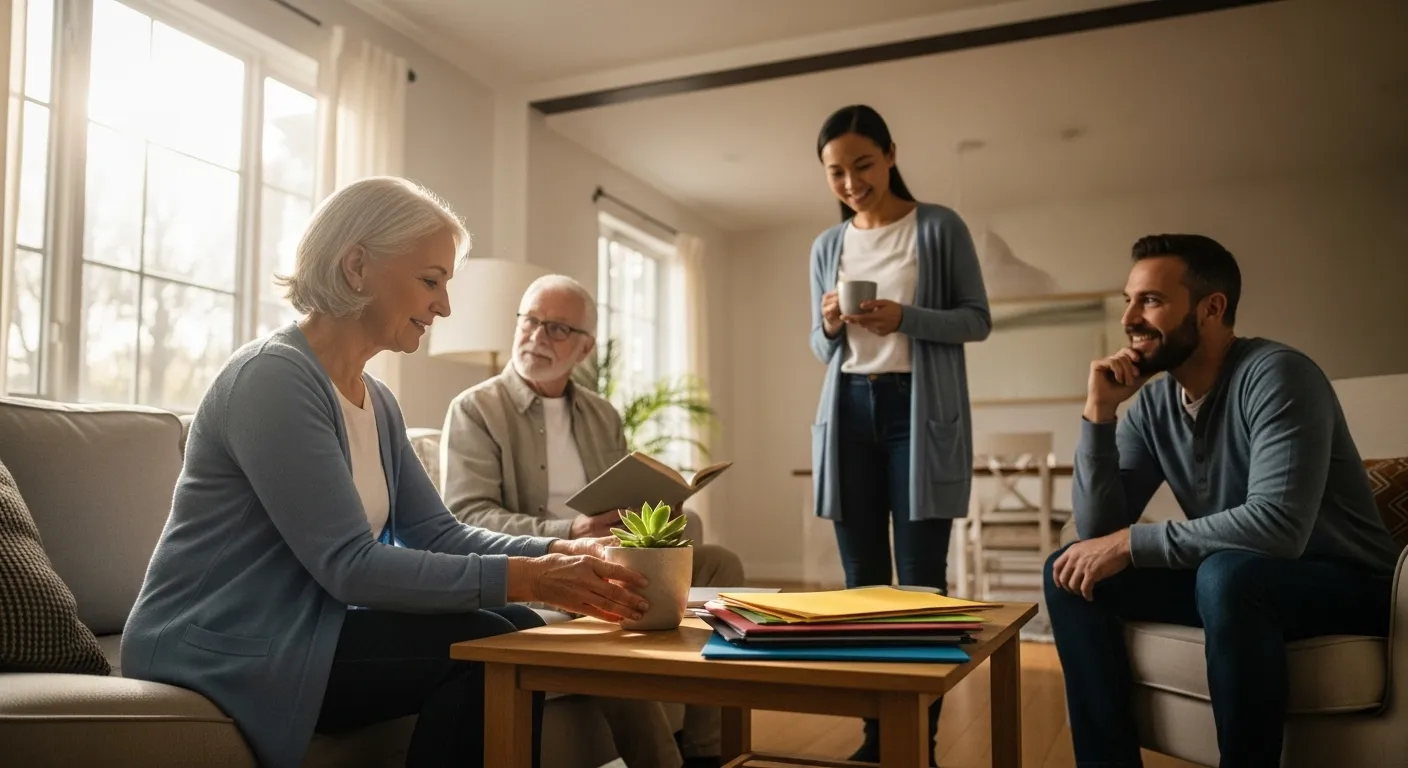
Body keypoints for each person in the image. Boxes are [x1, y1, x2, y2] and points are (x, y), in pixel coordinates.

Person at [121, 177, 650, 768]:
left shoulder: (376, 399)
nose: (443, 307)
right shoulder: (272, 379)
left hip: (306, 628)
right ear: (356, 267)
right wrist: (532, 575)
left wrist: (562, 559)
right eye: (431, 281)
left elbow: (440, 534)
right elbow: (349, 567)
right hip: (218, 641)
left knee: (516, 624)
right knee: (493, 642)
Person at [1045, 234, 1401, 768]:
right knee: (1070, 571)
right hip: (1241, 584)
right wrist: (1099, 415)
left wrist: (1130, 542)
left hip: (1349, 583)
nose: (1130, 318)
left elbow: (1278, 527)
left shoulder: (1278, 374)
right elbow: (1098, 530)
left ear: (1211, 309)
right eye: (1129, 299)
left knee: (1228, 574)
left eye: (1152, 301)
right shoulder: (1154, 403)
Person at [439, 273, 745, 768]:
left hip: (612, 552)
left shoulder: (603, 414)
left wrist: (654, 513)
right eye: (531, 321)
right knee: (613, 604)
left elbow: (622, 497)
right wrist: (570, 533)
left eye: (557, 328)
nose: (538, 336)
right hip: (544, 567)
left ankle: (707, 750)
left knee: (717, 564)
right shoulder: (476, 409)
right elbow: (468, 516)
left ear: (584, 349)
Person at [806, 104, 992, 765]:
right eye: (836, 172)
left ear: (890, 153)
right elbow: (817, 344)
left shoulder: (938, 227)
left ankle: (918, 744)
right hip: (848, 411)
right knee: (862, 590)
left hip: (920, 412)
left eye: (862, 165)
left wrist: (905, 317)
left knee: (919, 589)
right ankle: (876, 740)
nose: (852, 182)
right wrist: (831, 324)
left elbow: (976, 321)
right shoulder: (828, 247)